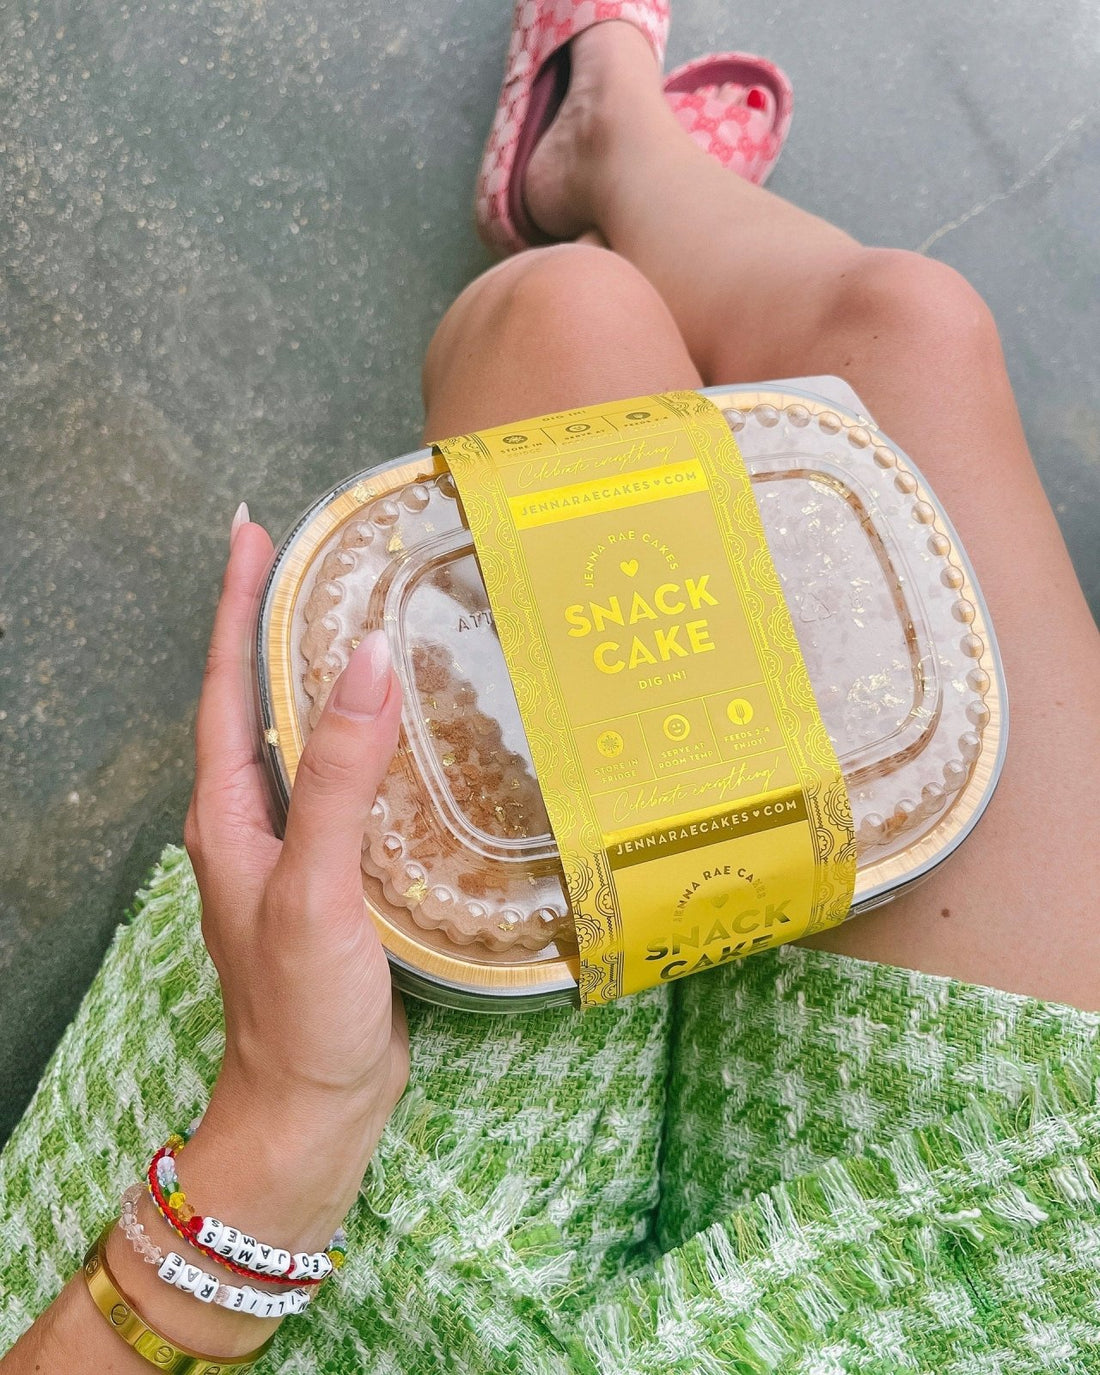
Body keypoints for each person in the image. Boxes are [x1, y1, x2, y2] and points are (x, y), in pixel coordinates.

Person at [3, 6, 1100, 1373]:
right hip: (996, 1274)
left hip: (357, 1309)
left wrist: (288, 1120)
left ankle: (601, 187)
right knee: (910, 330)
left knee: (561, 329)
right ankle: (605, 150)